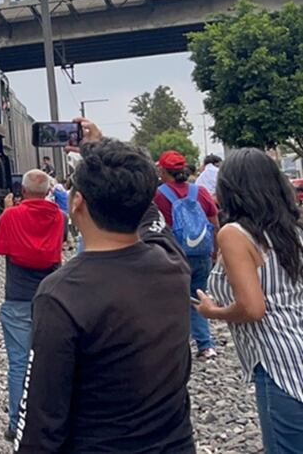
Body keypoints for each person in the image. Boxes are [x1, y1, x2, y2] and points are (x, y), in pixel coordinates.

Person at [15, 139, 195, 452]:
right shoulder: (172, 264)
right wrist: (102, 147)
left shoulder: (61, 294)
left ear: (77, 203)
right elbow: (150, 215)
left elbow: (43, 415)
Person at [196, 148, 303, 452]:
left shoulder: (235, 234)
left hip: (276, 359)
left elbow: (253, 308)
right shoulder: (292, 230)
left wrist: (213, 311)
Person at [0, 169, 63, 442]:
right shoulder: (59, 216)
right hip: (50, 300)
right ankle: (52, 421)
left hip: (18, 300)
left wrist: (7, 211)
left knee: (20, 364)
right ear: (47, 192)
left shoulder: (12, 215)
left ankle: (17, 424)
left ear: (23, 191)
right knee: (51, 363)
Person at [154, 150, 220, 359]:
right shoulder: (200, 191)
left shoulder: (158, 195)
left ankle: (175, 347)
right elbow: (215, 223)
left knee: (171, 300)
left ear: (163, 171)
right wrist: (214, 251)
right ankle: (206, 345)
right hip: (201, 253)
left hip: (173, 254)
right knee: (199, 297)